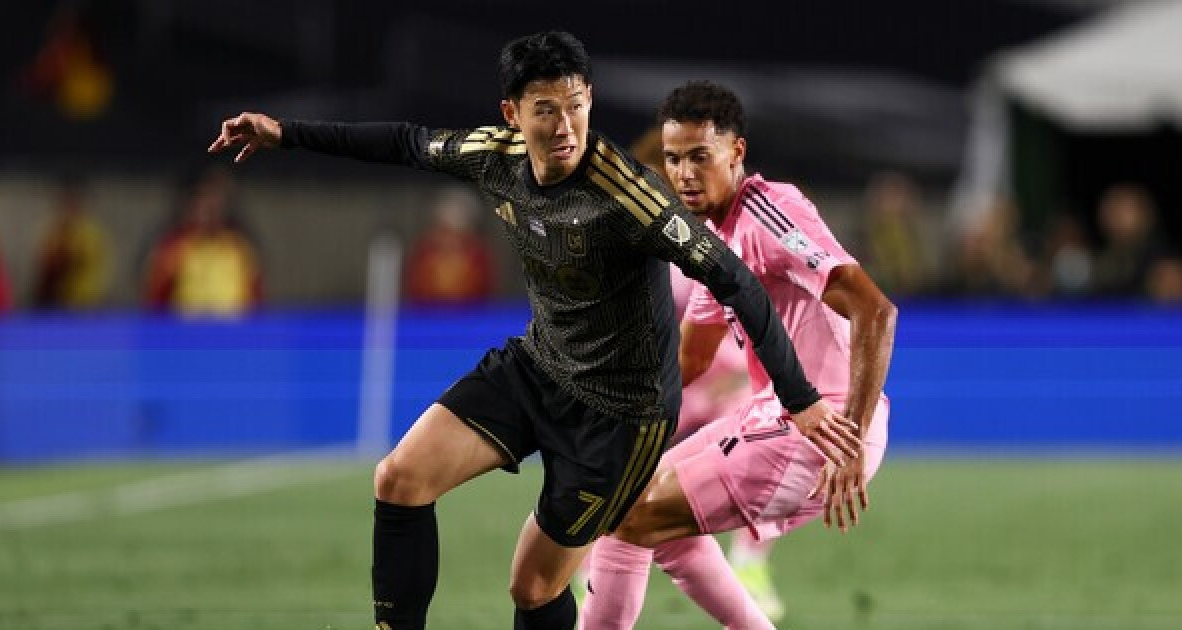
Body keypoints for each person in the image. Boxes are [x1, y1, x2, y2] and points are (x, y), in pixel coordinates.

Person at [208, 32, 860, 630]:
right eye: (545, 109)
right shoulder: (494, 156)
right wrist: (284, 133)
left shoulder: (630, 196)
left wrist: (800, 399)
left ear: (590, 101)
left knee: (533, 586)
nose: (564, 125)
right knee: (399, 478)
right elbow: (406, 142)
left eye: (575, 106)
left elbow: (736, 281)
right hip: (540, 367)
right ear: (512, 114)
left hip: (622, 417)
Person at [579, 81, 896, 630]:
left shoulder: (769, 212)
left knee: (626, 517)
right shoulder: (712, 243)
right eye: (674, 159)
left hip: (820, 428)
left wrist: (852, 436)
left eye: (700, 156)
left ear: (736, 152)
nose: (684, 173)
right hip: (774, 416)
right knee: (633, 502)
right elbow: (690, 358)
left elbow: (876, 310)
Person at [143, 166, 263, 316]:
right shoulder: (172, 247)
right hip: (186, 328)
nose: (211, 206)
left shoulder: (240, 248)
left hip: (233, 328)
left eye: (216, 198)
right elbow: (155, 303)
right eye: (203, 198)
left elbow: (257, 302)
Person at [402, 186, 497, 304]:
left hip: (470, 312)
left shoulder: (478, 254)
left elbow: (485, 291)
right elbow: (414, 288)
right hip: (428, 312)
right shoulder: (424, 251)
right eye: (444, 230)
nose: (449, 239)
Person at [33, 177, 111, 310]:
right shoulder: (54, 231)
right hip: (58, 303)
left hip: (86, 303)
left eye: (72, 202)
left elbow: (84, 260)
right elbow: (45, 265)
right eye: (65, 202)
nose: (68, 208)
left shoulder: (90, 233)